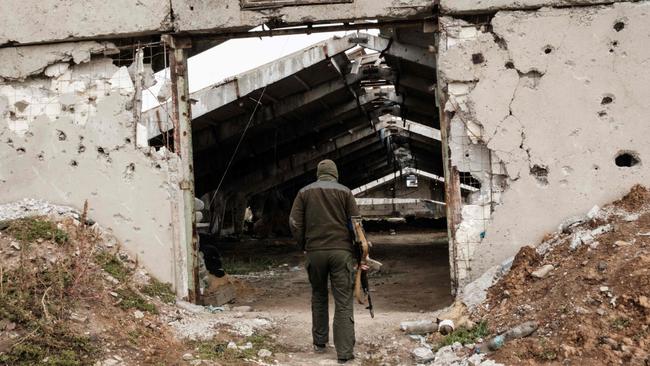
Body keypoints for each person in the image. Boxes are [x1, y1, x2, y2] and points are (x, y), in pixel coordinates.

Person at [289, 159, 361, 364]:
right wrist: (358, 253)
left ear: (318, 174)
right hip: (341, 252)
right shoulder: (345, 192)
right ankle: (344, 353)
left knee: (319, 295)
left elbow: (294, 222)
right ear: (335, 173)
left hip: (315, 252)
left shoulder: (304, 192)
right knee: (343, 301)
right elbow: (356, 224)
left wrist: (304, 244)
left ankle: (320, 343)